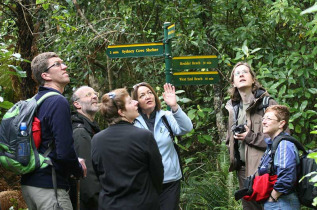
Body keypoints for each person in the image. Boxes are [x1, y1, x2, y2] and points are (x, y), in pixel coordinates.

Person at [21, 52, 87, 210]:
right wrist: (78, 169)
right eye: (57, 64)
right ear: (45, 75)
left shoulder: (34, 101)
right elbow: (64, 151)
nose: (64, 67)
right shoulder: (57, 101)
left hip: (30, 184)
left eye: (63, 63)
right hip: (49, 186)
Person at [91, 88, 164, 210]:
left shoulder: (96, 139)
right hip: (142, 203)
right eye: (130, 102)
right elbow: (157, 173)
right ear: (121, 112)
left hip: (110, 204)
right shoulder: (144, 136)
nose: (136, 102)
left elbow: (98, 173)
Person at [132, 82, 193, 210]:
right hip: (145, 182)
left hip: (169, 180)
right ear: (136, 101)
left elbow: (186, 128)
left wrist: (174, 106)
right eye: (142, 95)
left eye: (150, 93)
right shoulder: (132, 122)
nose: (148, 96)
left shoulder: (166, 116)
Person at [225, 62, 277, 210]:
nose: (241, 75)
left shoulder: (267, 103)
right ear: (233, 82)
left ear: (253, 79)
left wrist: (250, 136)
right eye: (237, 73)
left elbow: (282, 138)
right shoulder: (233, 107)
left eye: (245, 72)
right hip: (243, 171)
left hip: (265, 171)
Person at [258, 105, 300, 209]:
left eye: (269, 118)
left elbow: (287, 176)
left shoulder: (284, 144)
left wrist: (273, 197)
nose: (264, 122)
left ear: (281, 123)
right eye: (263, 118)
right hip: (278, 202)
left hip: (281, 202)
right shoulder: (274, 144)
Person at [69, 86, 101, 210]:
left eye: (95, 93)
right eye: (88, 95)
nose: (94, 96)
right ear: (77, 104)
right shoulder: (80, 132)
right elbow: (87, 180)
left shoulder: (90, 128)